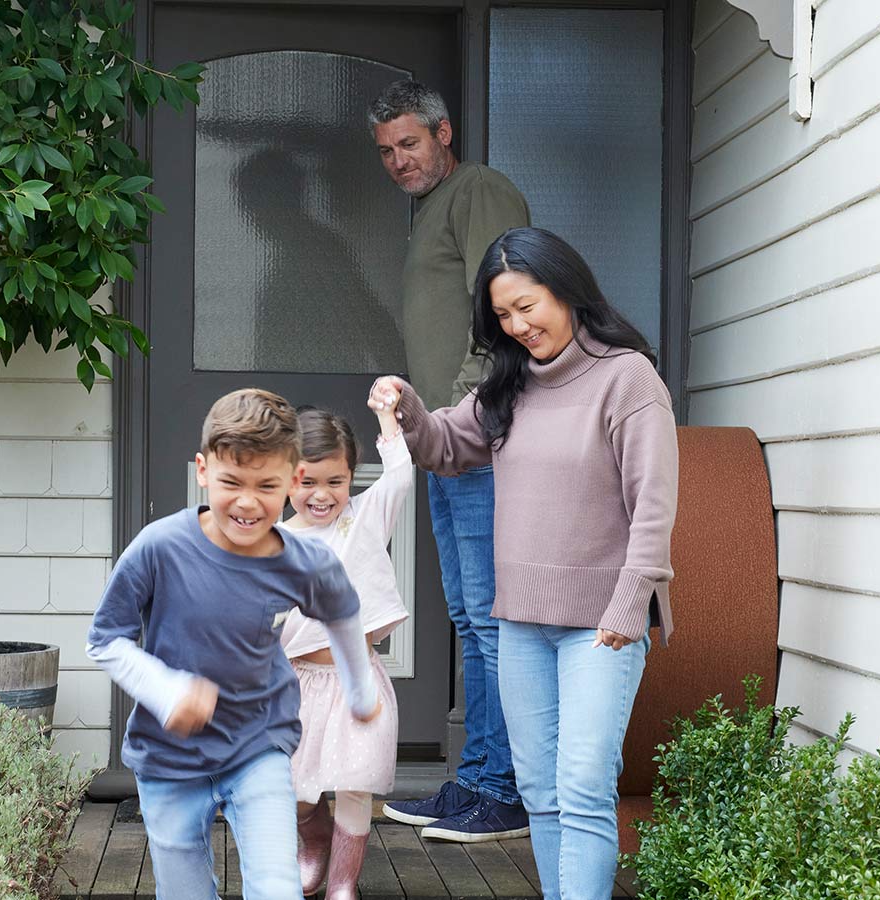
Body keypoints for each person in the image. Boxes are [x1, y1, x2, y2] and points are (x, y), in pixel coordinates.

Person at [369, 227, 678, 898]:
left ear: (568, 290)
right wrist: (409, 407)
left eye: (528, 306)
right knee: (540, 789)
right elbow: (447, 447)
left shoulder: (627, 379)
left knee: (584, 784)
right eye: (503, 315)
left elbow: (653, 506)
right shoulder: (510, 382)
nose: (518, 325)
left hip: (602, 623)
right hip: (520, 625)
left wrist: (633, 604)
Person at [85, 388, 382, 899]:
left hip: (258, 745)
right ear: (203, 470)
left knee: (276, 887)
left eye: (266, 485)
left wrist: (359, 691)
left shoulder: (301, 560)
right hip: (168, 757)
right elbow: (105, 640)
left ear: (292, 481)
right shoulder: (161, 547)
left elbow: (344, 615)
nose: (247, 502)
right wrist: (166, 689)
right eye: (231, 483)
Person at [369, 78, 533, 843]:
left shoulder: (478, 189)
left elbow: (507, 303)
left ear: (444, 132)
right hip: (443, 444)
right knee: (472, 619)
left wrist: (464, 410)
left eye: (410, 142)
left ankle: (501, 791)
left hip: (479, 439)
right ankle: (476, 781)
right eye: (387, 151)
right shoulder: (428, 208)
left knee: (492, 622)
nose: (399, 160)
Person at [279, 404, 413, 898]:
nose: (321, 494)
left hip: (357, 681)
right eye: (307, 481)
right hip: (297, 686)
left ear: (352, 477)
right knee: (296, 786)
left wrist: (387, 419)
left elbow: (400, 475)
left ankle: (342, 883)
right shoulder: (276, 540)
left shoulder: (362, 520)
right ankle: (312, 838)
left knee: (354, 784)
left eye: (335, 481)